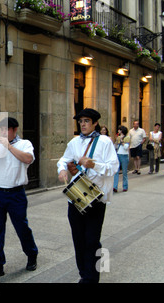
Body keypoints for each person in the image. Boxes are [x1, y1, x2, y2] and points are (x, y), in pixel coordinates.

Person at [57, 108, 119, 283]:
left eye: (86, 121)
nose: (83, 124)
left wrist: (93, 165)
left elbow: (113, 168)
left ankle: (91, 279)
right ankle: (84, 274)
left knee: (92, 241)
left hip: (96, 198)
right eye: (81, 121)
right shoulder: (74, 142)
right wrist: (62, 170)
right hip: (76, 196)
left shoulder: (105, 142)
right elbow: (64, 159)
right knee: (79, 240)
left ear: (95, 123)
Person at [0, 117, 38, 280]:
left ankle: (32, 254)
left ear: (14, 130)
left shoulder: (25, 144)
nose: (2, 133)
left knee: (21, 228)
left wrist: (8, 146)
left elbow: (28, 159)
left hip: (16, 194)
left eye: (6, 130)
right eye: (1, 130)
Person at [113, 125, 130, 192]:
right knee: (116, 171)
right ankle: (115, 187)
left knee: (124, 172)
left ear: (122, 130)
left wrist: (122, 141)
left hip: (124, 155)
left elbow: (126, 147)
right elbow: (115, 146)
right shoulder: (118, 138)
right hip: (118, 154)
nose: (118, 131)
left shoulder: (127, 138)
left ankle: (125, 186)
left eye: (119, 130)